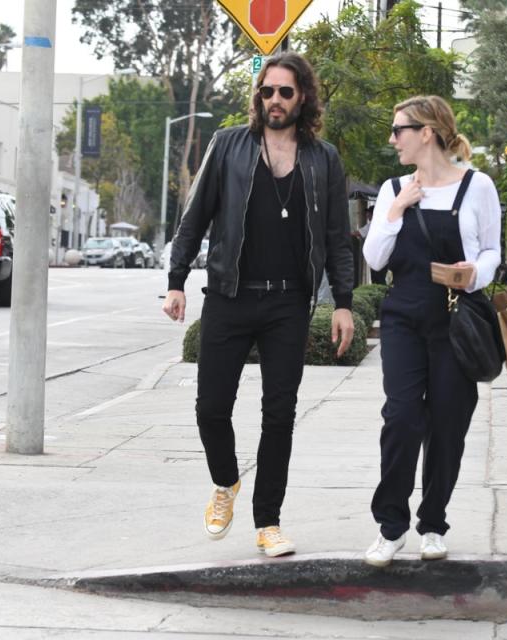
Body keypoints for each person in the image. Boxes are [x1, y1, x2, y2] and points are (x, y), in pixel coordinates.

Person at [162, 52, 355, 558]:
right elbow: (195, 216)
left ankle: (268, 522)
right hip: (229, 296)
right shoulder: (229, 146)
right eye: (267, 91)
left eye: (285, 92)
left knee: (279, 415)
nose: (274, 100)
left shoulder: (323, 159)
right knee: (210, 409)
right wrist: (176, 281)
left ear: (303, 98)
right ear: (259, 97)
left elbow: (337, 237)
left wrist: (343, 302)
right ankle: (225, 483)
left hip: (288, 303)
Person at [361, 96, 501, 567]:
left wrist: (473, 273)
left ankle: (433, 523)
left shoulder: (477, 186)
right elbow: (375, 258)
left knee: (447, 424)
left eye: (398, 129)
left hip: (456, 318)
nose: (392, 138)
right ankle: (391, 526)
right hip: (404, 314)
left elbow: (492, 252)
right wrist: (397, 208)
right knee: (401, 418)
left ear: (427, 133)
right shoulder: (393, 188)